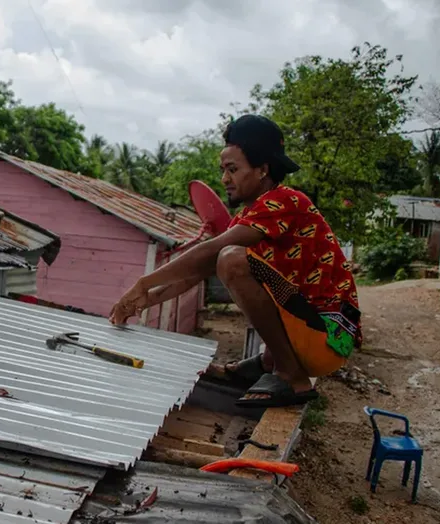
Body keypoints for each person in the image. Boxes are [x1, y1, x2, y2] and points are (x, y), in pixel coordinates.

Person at [109, 114, 361, 408]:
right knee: (225, 258)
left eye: (232, 169)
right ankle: (267, 363)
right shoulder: (250, 217)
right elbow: (196, 271)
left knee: (231, 259)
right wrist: (143, 300)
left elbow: (213, 250)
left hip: (326, 336)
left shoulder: (286, 200)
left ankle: (290, 374)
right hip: (310, 332)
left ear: (262, 169)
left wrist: (144, 281)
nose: (224, 179)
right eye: (223, 170)